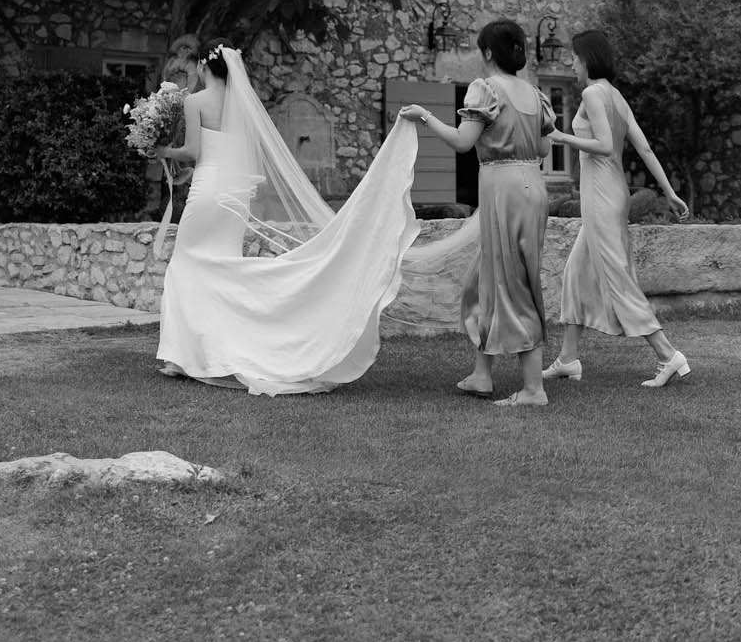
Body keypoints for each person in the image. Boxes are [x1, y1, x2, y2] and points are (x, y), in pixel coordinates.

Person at [153, 46, 422, 395]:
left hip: (208, 191)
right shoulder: (242, 108)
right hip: (235, 196)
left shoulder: (195, 101)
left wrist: (163, 152)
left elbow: (193, 152)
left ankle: (184, 356)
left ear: (205, 66)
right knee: (223, 266)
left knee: (186, 263)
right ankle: (202, 352)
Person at [401, 20, 598, 408]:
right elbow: (544, 150)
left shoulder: (484, 88)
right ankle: (481, 374)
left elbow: (462, 141)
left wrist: (425, 116)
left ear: (488, 52)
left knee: (513, 282)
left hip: (502, 186)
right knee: (483, 278)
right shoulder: (536, 94)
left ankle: (532, 389)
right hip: (531, 184)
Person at [541, 30, 693, 388]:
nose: (572, 65)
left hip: (602, 195)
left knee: (618, 277)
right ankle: (567, 359)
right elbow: (645, 148)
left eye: (575, 59)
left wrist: (560, 136)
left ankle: (669, 355)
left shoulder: (593, 92)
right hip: (613, 193)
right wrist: (669, 192)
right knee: (576, 273)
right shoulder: (616, 95)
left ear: (588, 59)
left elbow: (606, 145)